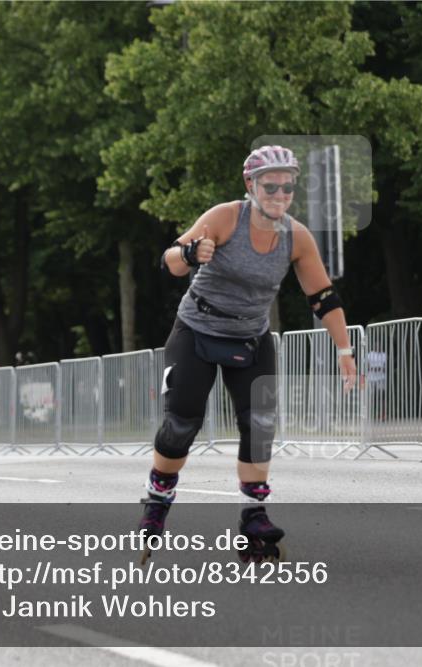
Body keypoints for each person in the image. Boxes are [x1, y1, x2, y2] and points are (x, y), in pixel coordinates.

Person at [139, 145, 357, 562]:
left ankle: (253, 517)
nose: (279, 194)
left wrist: (344, 349)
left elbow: (323, 298)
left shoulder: (296, 236)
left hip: (251, 338)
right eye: (269, 186)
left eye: (287, 187)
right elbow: (168, 262)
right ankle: (156, 500)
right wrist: (189, 254)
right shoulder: (225, 217)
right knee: (182, 424)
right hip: (197, 331)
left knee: (259, 425)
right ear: (250, 185)